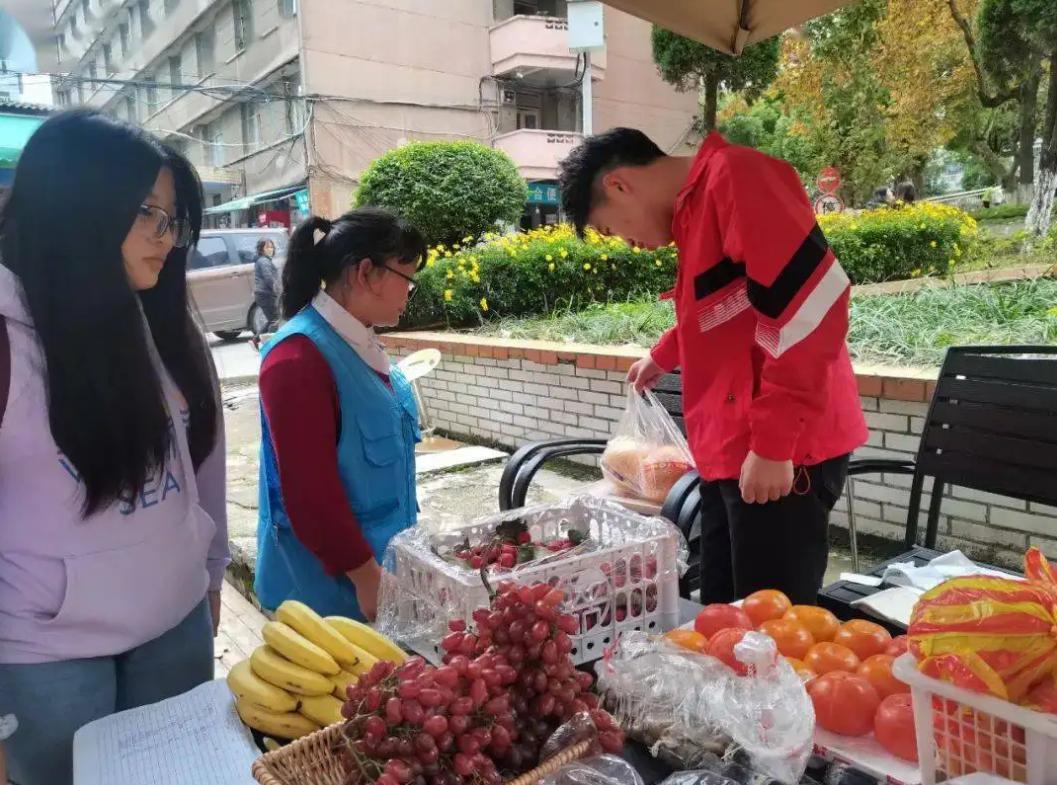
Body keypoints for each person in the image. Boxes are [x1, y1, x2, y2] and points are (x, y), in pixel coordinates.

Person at [0, 110, 227, 785]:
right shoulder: (9, 340)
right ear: (78, 209)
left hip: (175, 627)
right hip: (47, 655)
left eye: (173, 217)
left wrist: (210, 572)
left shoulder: (156, 313)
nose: (168, 237)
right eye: (147, 215)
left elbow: (204, 457)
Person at [558, 128, 868, 606]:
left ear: (620, 185)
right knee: (723, 615)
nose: (626, 242)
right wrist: (663, 355)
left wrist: (774, 442)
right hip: (730, 450)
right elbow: (723, 308)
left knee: (770, 628)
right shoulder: (692, 213)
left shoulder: (737, 179)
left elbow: (809, 309)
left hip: (782, 454)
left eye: (609, 229)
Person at [255, 208, 426, 622]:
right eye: (407, 279)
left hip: (380, 576)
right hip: (328, 599)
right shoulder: (297, 359)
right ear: (367, 272)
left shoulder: (358, 341)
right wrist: (366, 577)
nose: (409, 294)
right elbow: (310, 494)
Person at [254, 237, 281, 333]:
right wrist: (278, 291)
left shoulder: (264, 260)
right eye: (267, 247)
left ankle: (256, 340)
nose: (271, 249)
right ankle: (269, 342)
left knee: (273, 320)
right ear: (261, 249)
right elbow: (269, 278)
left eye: (272, 247)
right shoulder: (264, 261)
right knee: (275, 320)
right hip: (265, 295)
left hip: (264, 294)